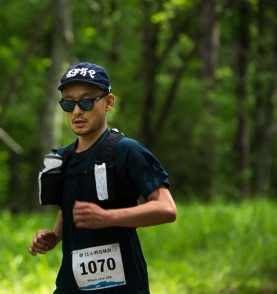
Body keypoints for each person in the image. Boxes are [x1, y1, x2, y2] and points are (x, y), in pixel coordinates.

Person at [29, 62, 177, 293]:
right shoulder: (62, 158)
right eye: (68, 103)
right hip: (70, 284)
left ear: (108, 102)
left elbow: (167, 209)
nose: (77, 111)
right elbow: (70, 207)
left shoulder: (127, 151)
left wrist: (107, 217)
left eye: (86, 102)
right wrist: (54, 235)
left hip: (123, 286)